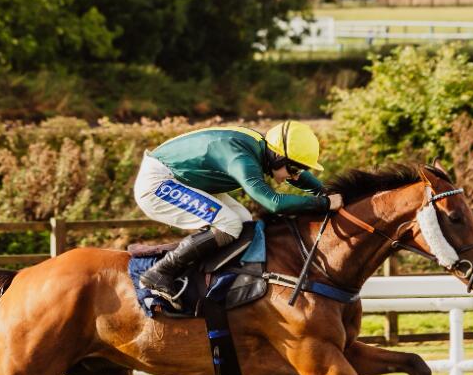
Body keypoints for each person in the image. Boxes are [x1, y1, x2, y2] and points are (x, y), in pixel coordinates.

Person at [134, 120, 343, 304]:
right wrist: (323, 204)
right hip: (158, 184)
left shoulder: (268, 148)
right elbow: (274, 203)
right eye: (294, 170)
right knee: (229, 224)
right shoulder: (242, 159)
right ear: (278, 156)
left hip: (181, 178)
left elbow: (295, 174)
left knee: (242, 222)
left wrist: (325, 192)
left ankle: (216, 280)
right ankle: (160, 273)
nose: (295, 177)